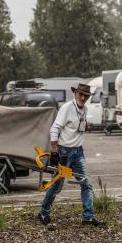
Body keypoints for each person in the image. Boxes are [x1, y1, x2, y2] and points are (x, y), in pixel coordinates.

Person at [38, 83, 106, 227]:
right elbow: (55, 128)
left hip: (78, 152)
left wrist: (86, 125)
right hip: (64, 152)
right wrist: (55, 150)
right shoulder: (67, 108)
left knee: (86, 184)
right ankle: (43, 212)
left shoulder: (85, 109)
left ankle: (88, 217)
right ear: (75, 94)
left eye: (85, 95)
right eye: (80, 94)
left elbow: (78, 126)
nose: (82, 97)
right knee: (57, 185)